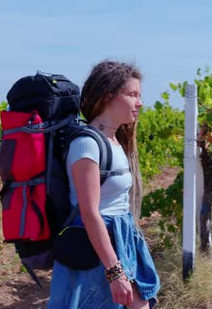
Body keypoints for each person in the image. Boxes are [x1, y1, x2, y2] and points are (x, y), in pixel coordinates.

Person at [47, 61, 160, 308]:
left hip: (120, 237)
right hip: (95, 248)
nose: (139, 103)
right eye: (132, 95)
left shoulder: (114, 141)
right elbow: (89, 212)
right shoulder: (87, 144)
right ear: (108, 96)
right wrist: (114, 272)